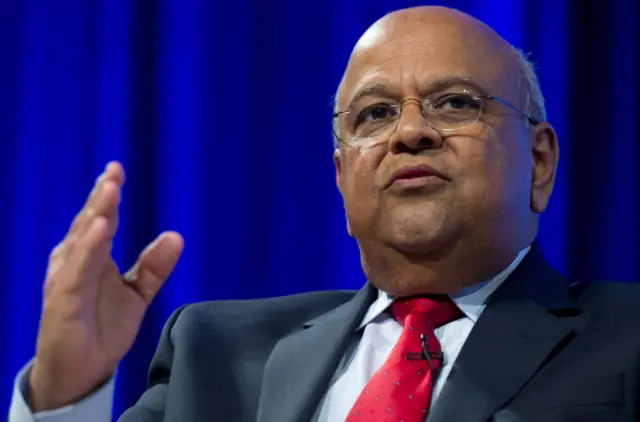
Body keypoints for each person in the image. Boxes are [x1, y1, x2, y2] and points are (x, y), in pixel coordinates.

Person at [8, 5, 640, 422]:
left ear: (539, 161)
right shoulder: (213, 353)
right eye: (375, 114)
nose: (410, 133)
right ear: (342, 177)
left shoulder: (626, 336)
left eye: (453, 103)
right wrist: (68, 395)